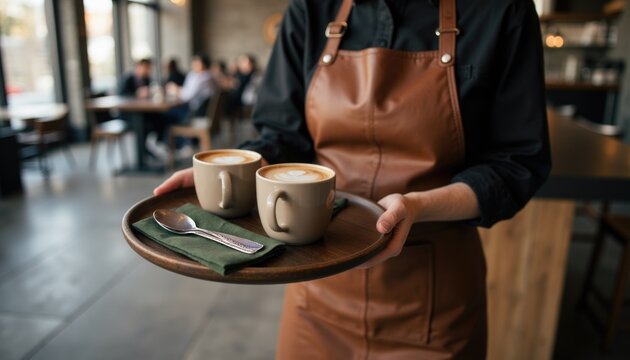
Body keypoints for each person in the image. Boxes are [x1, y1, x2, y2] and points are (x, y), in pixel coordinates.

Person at [154, 0, 551, 358]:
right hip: (317, 289)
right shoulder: (310, 11)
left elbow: (516, 163)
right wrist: (230, 170)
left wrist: (420, 205)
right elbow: (282, 137)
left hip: (434, 304)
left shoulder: (502, 11)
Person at [147, 54, 216, 159]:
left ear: (203, 64)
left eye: (196, 63)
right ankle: (178, 143)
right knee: (170, 113)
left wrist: (175, 89)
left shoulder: (202, 77)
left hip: (196, 115)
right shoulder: (209, 76)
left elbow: (187, 96)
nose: (193, 65)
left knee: (166, 116)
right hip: (201, 112)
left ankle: (173, 144)